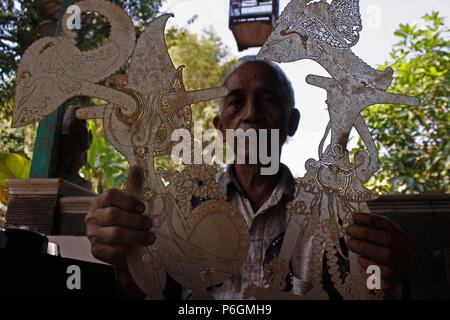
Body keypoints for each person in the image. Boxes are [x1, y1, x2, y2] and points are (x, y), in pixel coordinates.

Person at [85, 57, 410, 299]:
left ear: (291, 123)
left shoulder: (330, 217)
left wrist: (383, 281)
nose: (251, 114)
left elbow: (365, 289)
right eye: (236, 103)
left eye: (268, 100)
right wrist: (123, 260)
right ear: (221, 127)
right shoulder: (178, 208)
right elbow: (142, 293)